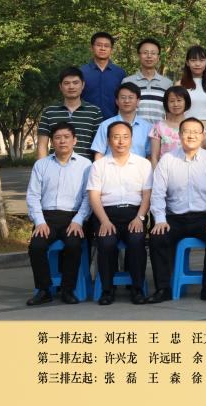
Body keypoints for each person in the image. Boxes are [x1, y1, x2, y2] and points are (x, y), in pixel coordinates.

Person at [147, 118, 206, 303]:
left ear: (203, 135)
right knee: (157, 237)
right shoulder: (167, 160)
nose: (191, 135)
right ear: (179, 135)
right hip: (174, 217)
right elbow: (157, 193)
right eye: (187, 131)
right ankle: (163, 289)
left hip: (204, 217)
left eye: (196, 132)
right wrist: (160, 219)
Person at [24, 123, 91, 306]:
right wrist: (39, 221)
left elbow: (89, 197)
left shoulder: (86, 165)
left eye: (66, 137)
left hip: (73, 217)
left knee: (73, 245)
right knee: (36, 246)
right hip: (46, 218)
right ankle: (44, 290)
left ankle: (68, 290)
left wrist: (79, 220)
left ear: (74, 140)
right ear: (52, 142)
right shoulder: (41, 165)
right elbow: (33, 195)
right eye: (58, 138)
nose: (62, 141)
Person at [87, 121, 152, 305]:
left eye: (125, 137)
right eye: (116, 137)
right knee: (106, 243)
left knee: (136, 241)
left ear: (131, 139)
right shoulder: (99, 166)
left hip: (134, 214)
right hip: (106, 214)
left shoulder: (143, 164)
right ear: (108, 141)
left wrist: (140, 218)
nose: (121, 141)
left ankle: (137, 289)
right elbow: (94, 196)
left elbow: (147, 195)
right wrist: (104, 221)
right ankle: (107, 290)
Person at [36, 67, 103, 161]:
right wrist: (42, 167)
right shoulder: (49, 112)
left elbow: (99, 148)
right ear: (60, 86)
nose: (71, 87)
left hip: (85, 168)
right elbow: (42, 145)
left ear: (83, 85)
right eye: (67, 83)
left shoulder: (94, 112)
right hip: (55, 167)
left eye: (75, 83)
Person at [90, 82, 151, 160]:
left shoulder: (147, 127)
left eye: (131, 97)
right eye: (123, 97)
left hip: (139, 168)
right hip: (111, 167)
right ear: (117, 101)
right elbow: (99, 154)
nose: (127, 101)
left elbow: (150, 155)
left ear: (138, 101)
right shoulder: (105, 125)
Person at [123, 37, 172, 125]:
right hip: (134, 130)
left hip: (159, 131)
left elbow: (170, 112)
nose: (149, 56)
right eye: (145, 53)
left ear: (158, 57)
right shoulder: (127, 82)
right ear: (139, 56)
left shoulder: (167, 83)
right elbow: (122, 109)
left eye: (153, 53)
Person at [81, 31, 127, 118]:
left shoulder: (120, 73)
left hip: (113, 121)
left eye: (106, 46)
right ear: (91, 48)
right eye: (99, 45)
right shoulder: (82, 72)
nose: (102, 48)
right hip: (87, 120)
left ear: (111, 50)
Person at [180, 46, 206, 148]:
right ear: (187, 62)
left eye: (201, 60)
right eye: (193, 60)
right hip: (185, 129)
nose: (197, 64)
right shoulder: (179, 85)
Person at [149, 86, 190, 169]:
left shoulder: (194, 125)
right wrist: (157, 175)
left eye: (179, 100)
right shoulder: (158, 127)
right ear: (166, 103)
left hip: (189, 170)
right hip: (165, 171)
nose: (175, 104)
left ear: (186, 102)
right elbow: (154, 157)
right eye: (172, 101)